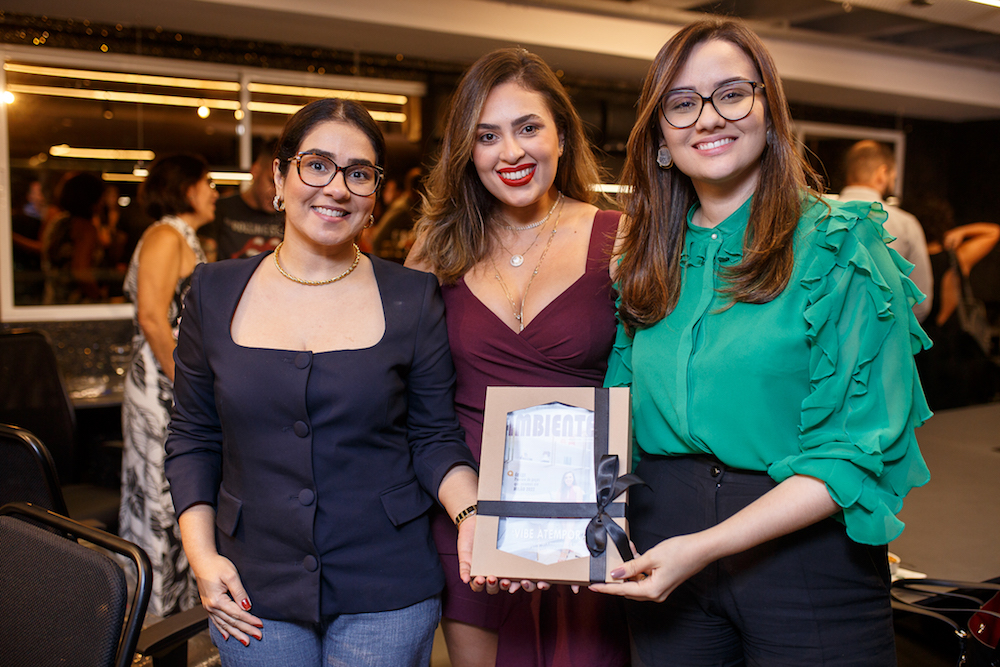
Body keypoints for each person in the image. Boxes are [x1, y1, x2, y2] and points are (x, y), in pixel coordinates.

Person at [591, 19, 932, 666]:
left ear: (769, 110)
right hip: (663, 542)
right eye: (682, 103)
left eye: (731, 94)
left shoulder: (840, 243)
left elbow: (856, 449)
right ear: (660, 135)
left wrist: (706, 545)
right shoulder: (643, 254)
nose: (707, 118)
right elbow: (618, 409)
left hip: (804, 561)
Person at [164, 98, 481, 667]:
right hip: (251, 582)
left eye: (358, 173)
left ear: (374, 192)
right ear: (279, 177)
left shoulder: (412, 297)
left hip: (386, 583)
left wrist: (471, 515)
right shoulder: (213, 291)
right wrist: (202, 557)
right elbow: (193, 436)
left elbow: (433, 436)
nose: (336, 188)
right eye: (316, 165)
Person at [407, 47, 629, 667]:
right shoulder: (437, 247)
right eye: (487, 136)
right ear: (466, 151)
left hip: (584, 520)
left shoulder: (620, 237)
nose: (510, 152)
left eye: (528, 127)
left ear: (562, 134)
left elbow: (653, 385)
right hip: (469, 518)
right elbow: (410, 393)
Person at [119, 154, 218, 618]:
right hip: (160, 384)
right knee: (158, 499)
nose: (214, 192)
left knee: (175, 493)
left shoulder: (184, 235)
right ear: (186, 187)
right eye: (208, 182)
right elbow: (152, 318)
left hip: (172, 381)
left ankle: (174, 615)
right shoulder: (164, 234)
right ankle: (151, 622)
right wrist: (186, 386)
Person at [839, 139, 933, 322]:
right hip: (884, 334)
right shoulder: (905, 224)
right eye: (893, 177)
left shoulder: (816, 215)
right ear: (882, 173)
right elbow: (921, 302)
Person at [206, 139, 284, 260]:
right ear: (256, 171)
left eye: (283, 184)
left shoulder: (289, 215)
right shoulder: (220, 209)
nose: (277, 191)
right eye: (272, 181)